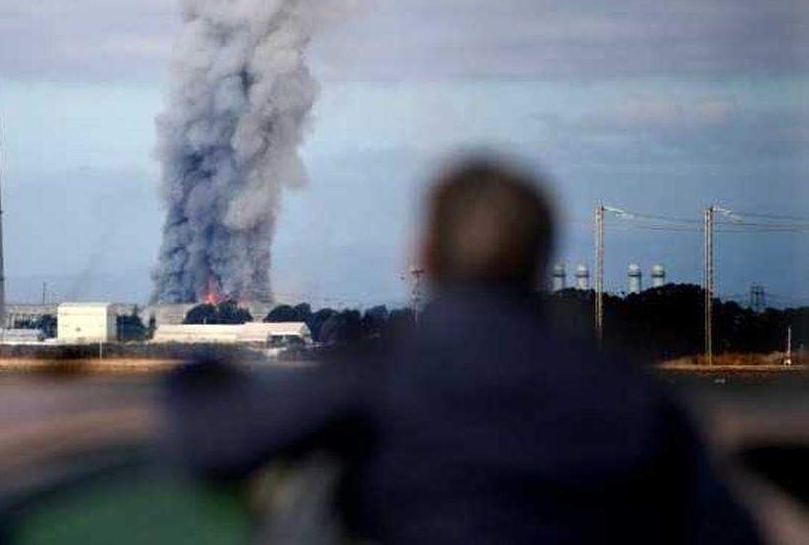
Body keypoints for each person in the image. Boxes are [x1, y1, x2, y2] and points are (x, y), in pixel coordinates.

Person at [165, 157, 760, 543]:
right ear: (542, 258)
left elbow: (218, 444)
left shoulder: (383, 370)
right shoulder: (634, 397)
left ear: (423, 251)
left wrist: (194, 372)